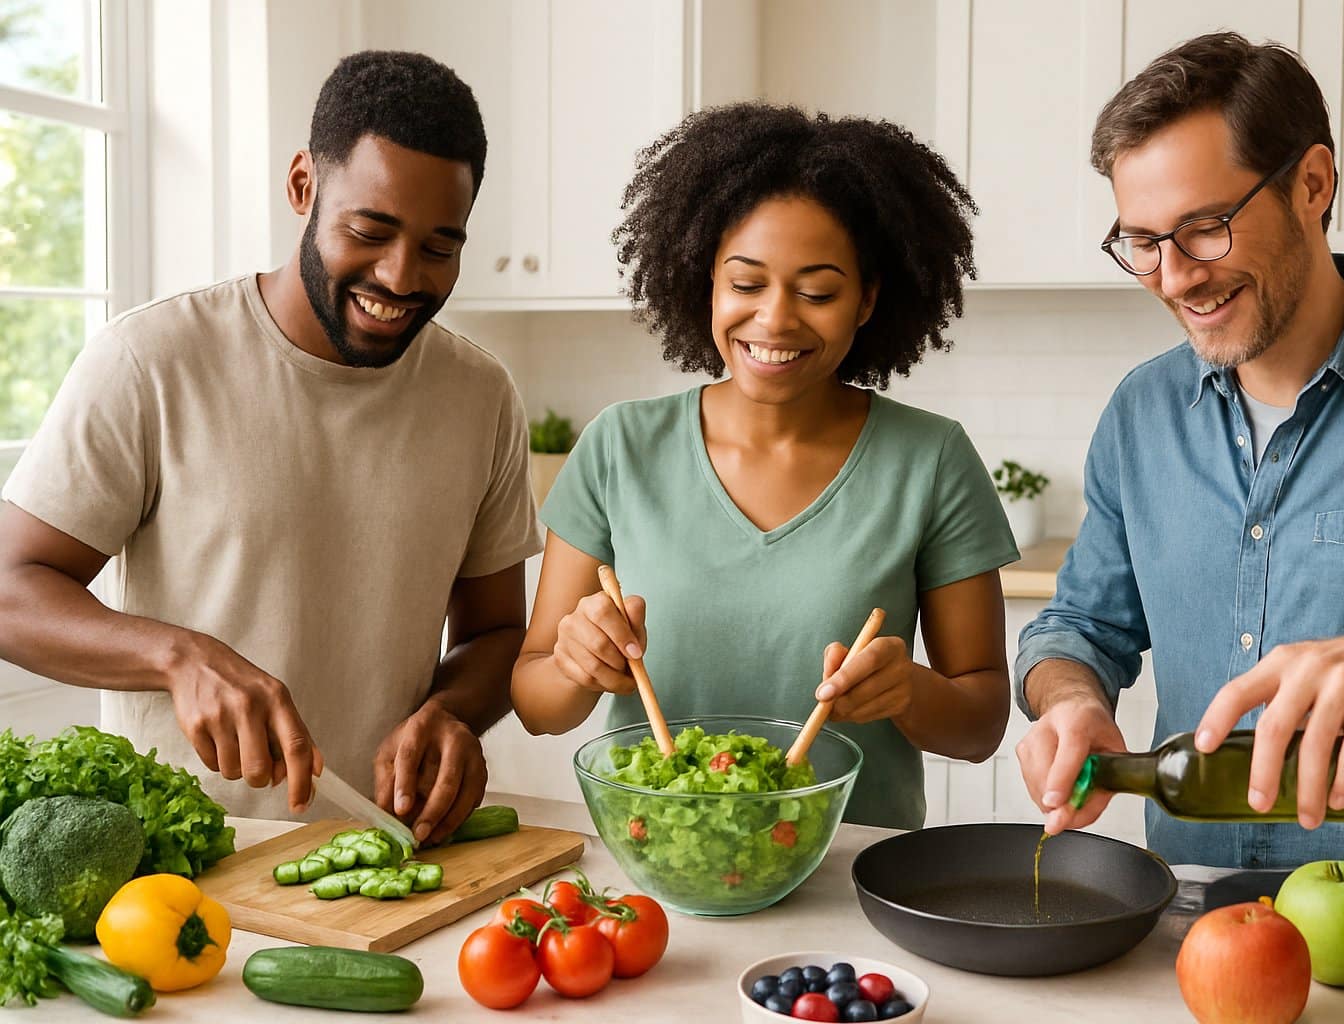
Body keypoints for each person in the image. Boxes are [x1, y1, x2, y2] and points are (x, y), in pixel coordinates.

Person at [1015, 32, 1344, 876]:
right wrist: (1071, 699)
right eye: (1143, 242)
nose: (1176, 277)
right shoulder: (1141, 413)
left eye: (1206, 228)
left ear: (1312, 184)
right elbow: (1081, 625)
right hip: (1189, 927)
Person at [0, 51, 541, 844]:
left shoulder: (480, 394)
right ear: (302, 186)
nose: (400, 276)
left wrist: (450, 712)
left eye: (438, 247)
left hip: (383, 862)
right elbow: (12, 590)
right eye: (371, 230)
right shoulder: (151, 360)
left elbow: (497, 634)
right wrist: (176, 657)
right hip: (176, 862)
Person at [510, 102, 1017, 828]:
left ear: (868, 299)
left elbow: (981, 725)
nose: (775, 320)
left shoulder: (931, 461)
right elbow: (535, 705)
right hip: (658, 871)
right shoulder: (620, 447)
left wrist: (909, 691)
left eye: (817, 292)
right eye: (746, 284)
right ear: (704, 279)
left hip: (848, 880)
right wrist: (572, 666)